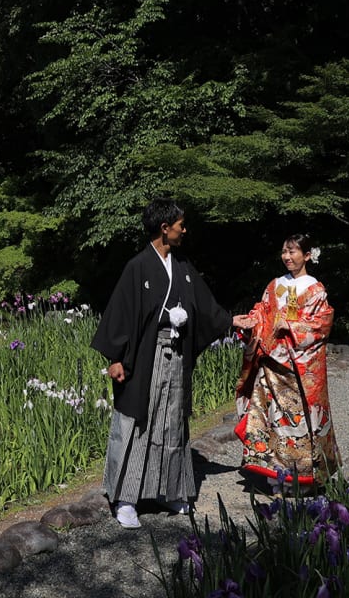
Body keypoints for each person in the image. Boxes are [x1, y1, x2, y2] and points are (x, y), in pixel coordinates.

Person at [91, 198, 233, 528]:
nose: (185, 230)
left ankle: (168, 490)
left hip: (176, 354)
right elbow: (122, 313)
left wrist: (230, 321)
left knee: (171, 421)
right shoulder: (138, 266)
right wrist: (116, 358)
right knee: (138, 420)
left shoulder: (182, 266)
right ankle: (126, 498)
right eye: (180, 225)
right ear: (164, 228)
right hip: (145, 355)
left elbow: (206, 306)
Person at [232, 234, 341, 487]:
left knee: (298, 422)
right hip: (270, 362)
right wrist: (253, 322)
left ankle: (301, 476)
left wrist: (292, 326)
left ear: (307, 255)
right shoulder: (274, 285)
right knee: (268, 417)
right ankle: (271, 471)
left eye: (293, 252)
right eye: (284, 251)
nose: (287, 257)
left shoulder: (315, 289)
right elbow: (263, 310)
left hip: (296, 368)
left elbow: (321, 324)